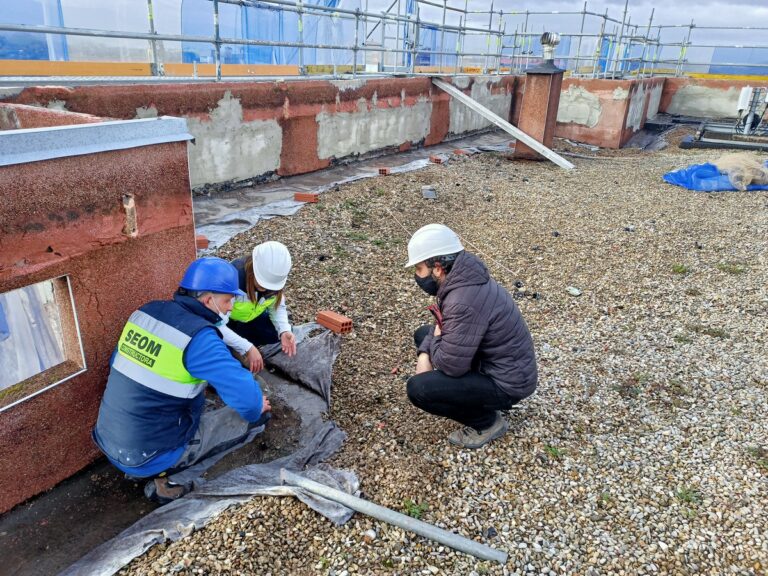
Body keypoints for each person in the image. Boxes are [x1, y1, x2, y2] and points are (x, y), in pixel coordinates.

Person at [93, 257, 271, 503]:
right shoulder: (200, 339)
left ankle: (145, 466)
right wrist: (256, 407)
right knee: (254, 417)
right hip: (150, 454)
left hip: (107, 439)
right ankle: (165, 479)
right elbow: (247, 400)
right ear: (209, 300)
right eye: (228, 300)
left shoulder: (145, 313)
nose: (231, 307)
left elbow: (120, 366)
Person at [404, 224, 538, 449]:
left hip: (507, 383)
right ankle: (474, 396)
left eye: (418, 269)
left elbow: (450, 365)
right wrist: (429, 346)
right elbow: (440, 327)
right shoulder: (463, 276)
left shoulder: (463, 300)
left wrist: (428, 352)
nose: (417, 276)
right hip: (497, 364)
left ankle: (487, 422)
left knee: (419, 389)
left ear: (437, 268)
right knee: (422, 335)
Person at [219, 241, 297, 372]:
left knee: (277, 333)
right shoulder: (233, 280)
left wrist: (284, 330)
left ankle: (243, 346)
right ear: (253, 269)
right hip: (227, 324)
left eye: (271, 287)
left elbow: (277, 307)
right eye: (262, 285)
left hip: (249, 321)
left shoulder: (274, 284)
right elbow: (217, 325)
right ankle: (233, 351)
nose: (266, 290)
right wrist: (247, 347)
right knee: (222, 355)